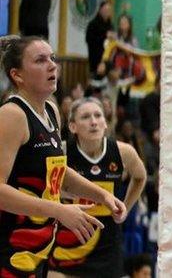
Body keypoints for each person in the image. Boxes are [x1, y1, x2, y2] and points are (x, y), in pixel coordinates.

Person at [0, 36, 126, 277]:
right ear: (18, 75)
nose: (52, 65)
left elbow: (56, 172)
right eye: (40, 60)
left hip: (37, 253)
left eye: (52, 58)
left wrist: (102, 195)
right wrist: (59, 210)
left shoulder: (51, 110)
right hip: (9, 250)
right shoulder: (12, 115)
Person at [48, 97, 148, 277]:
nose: (93, 122)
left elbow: (140, 177)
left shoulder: (123, 152)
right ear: (72, 126)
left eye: (98, 115)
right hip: (66, 244)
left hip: (107, 245)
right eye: (85, 117)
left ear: (105, 123)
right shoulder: (61, 152)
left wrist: (126, 206)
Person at [85, 2, 114, 73]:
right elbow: (89, 40)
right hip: (96, 59)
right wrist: (105, 35)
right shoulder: (93, 25)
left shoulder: (111, 26)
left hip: (108, 60)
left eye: (109, 10)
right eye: (105, 10)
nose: (107, 12)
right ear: (100, 10)